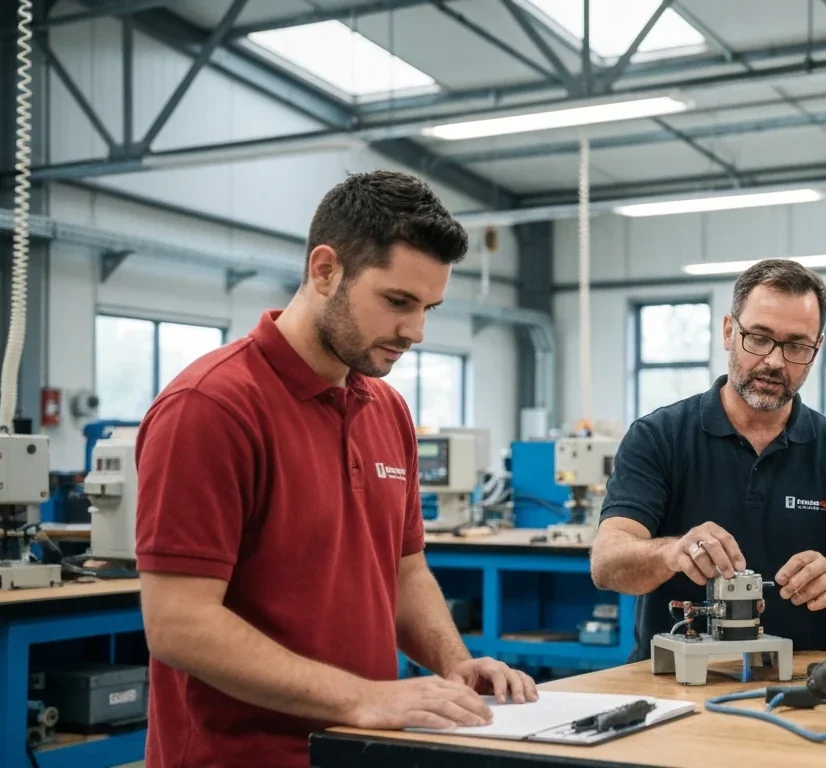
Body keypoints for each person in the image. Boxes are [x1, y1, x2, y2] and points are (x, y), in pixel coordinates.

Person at [135, 171, 538, 768]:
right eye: (397, 302)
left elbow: (403, 572)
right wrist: (363, 698)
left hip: (357, 748)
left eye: (428, 307)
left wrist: (454, 663)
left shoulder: (387, 407)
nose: (415, 332)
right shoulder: (211, 408)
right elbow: (179, 625)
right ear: (325, 271)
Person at [589, 259, 826, 662]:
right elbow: (607, 561)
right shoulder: (658, 437)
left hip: (803, 686)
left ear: (817, 348)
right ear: (728, 331)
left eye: (796, 345)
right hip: (674, 682)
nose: (774, 361)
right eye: (758, 338)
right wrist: (671, 553)